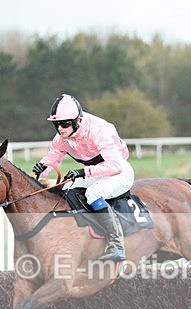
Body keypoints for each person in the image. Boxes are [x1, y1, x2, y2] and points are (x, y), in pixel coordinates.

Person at [32, 94, 133, 262]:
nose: (60, 129)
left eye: (64, 124)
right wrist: (42, 167)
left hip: (119, 172)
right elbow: (52, 159)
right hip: (96, 173)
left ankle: (117, 245)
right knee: (65, 190)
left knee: (94, 193)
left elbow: (116, 166)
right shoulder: (62, 138)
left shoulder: (101, 130)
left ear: (78, 120)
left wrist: (83, 172)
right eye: (56, 125)